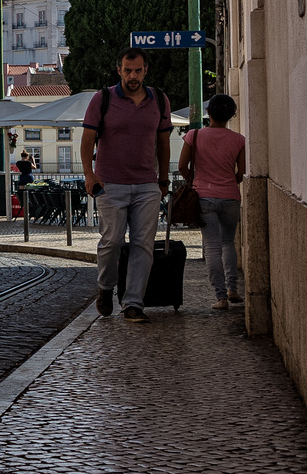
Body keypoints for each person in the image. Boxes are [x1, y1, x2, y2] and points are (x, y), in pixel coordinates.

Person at [82, 47, 173, 323]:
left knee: (143, 244)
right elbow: (87, 141)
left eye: (138, 70)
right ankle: (106, 287)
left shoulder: (159, 99)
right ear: (119, 70)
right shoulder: (103, 99)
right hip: (111, 184)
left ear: (146, 70)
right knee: (111, 241)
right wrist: (89, 174)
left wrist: (163, 178)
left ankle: (133, 303)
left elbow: (163, 142)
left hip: (146, 184)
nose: (133, 76)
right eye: (127, 70)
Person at [177, 94, 246, 310]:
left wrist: (196, 180)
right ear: (232, 115)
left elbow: (182, 166)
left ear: (209, 113)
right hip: (231, 197)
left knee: (213, 247)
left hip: (203, 197)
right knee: (228, 243)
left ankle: (220, 297)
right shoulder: (239, 140)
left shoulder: (193, 136)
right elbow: (241, 173)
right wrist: (228, 182)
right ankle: (233, 288)